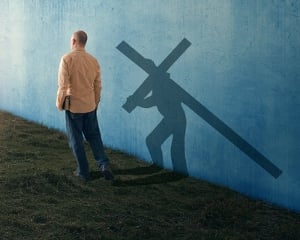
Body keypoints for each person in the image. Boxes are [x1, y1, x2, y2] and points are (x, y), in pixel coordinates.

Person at [56, 30, 113, 182]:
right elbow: (98, 85)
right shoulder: (93, 60)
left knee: (76, 139)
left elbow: (63, 86)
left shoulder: (67, 59)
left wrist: (61, 105)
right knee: (94, 136)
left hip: (73, 107)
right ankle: (104, 164)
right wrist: (95, 103)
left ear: (74, 41)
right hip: (90, 106)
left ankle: (83, 172)